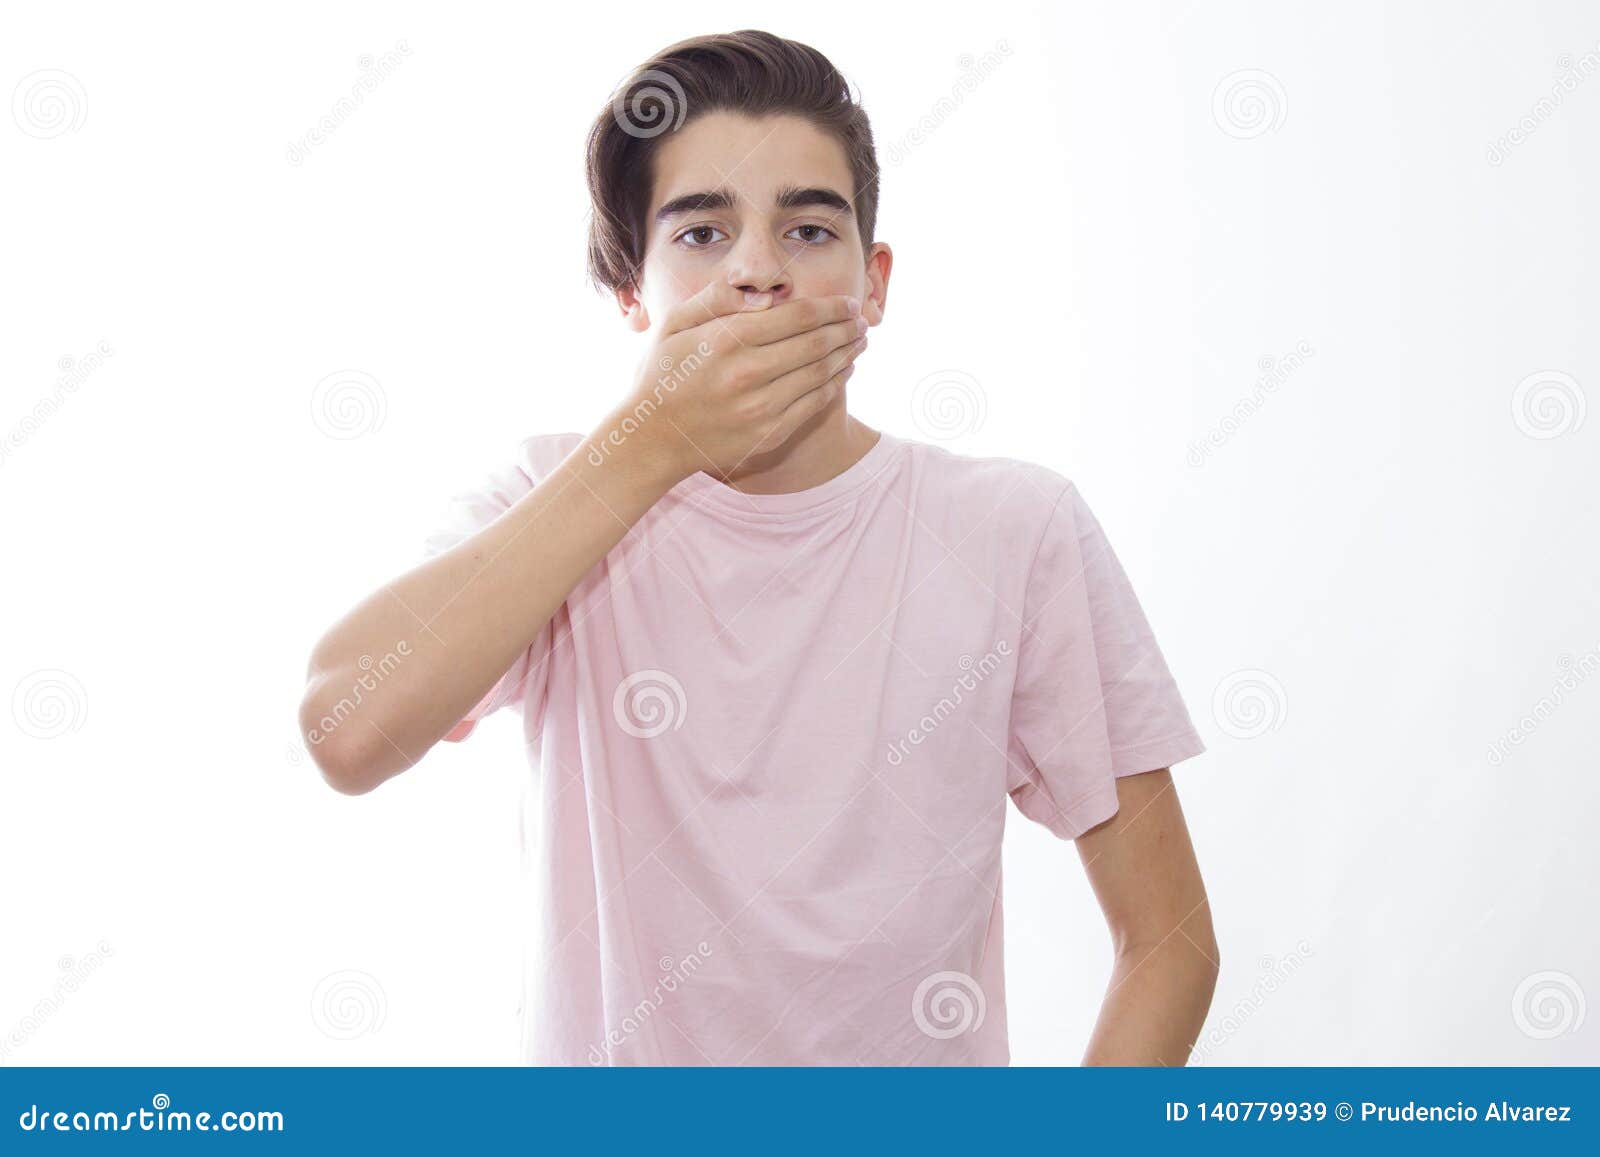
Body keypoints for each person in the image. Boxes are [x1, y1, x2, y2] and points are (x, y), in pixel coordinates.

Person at [298, 29, 1218, 1066]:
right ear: (632, 292)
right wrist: (649, 443)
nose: (757, 272)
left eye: (808, 229)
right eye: (701, 233)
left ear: (873, 284)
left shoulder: (1013, 529)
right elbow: (343, 729)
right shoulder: (547, 498)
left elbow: (1170, 944)